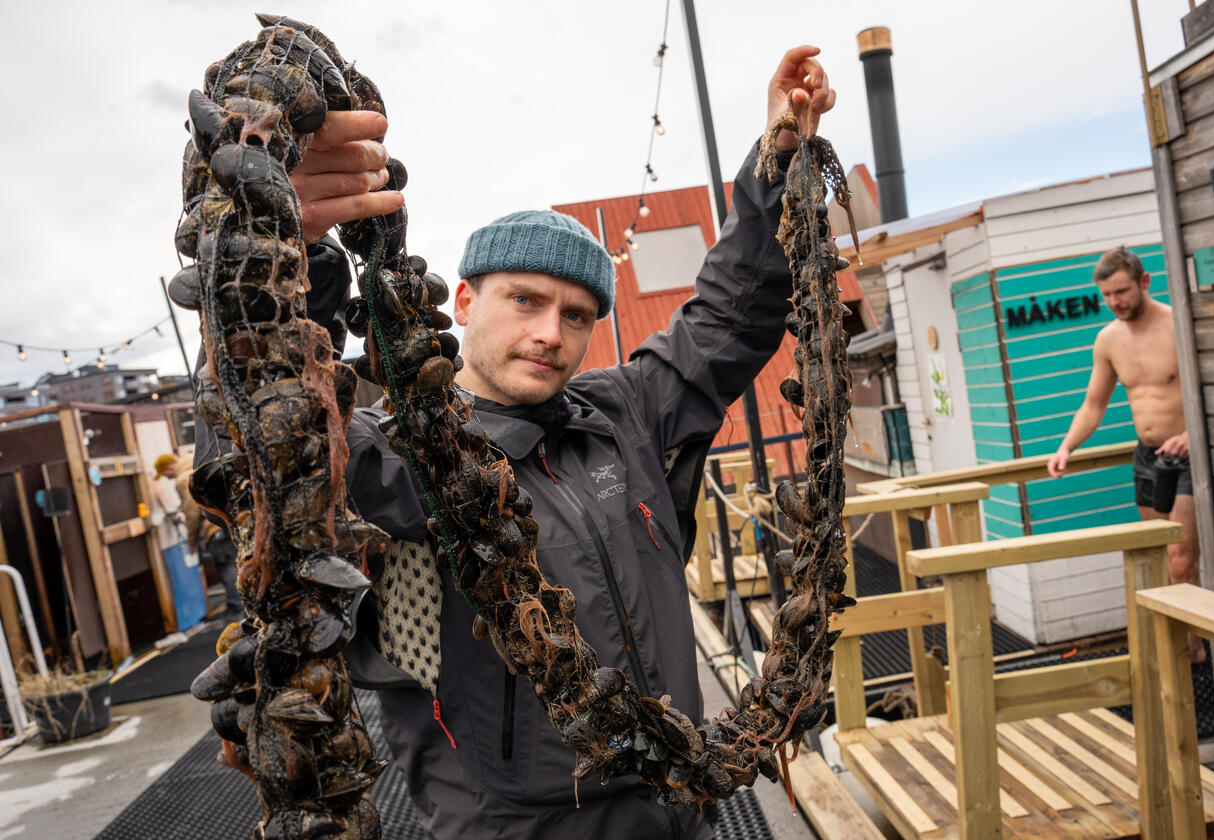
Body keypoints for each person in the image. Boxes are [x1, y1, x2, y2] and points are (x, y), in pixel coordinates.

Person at [198, 45, 833, 839]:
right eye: (525, 300)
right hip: (515, 825)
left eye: (575, 315)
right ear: (463, 300)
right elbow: (262, 423)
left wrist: (777, 158)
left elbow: (729, 318)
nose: (550, 333)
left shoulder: (623, 413)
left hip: (679, 799)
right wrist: (296, 247)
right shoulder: (393, 458)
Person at [1046, 248, 1202, 663]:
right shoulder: (1109, 339)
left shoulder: (1178, 325)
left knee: (1181, 560)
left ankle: (1193, 654)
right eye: (1108, 295)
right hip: (1147, 457)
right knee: (1155, 557)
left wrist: (1191, 435)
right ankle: (1179, 651)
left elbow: (1210, 389)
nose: (1116, 301)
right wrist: (1066, 447)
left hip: (1189, 456)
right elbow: (1093, 405)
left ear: (1144, 282)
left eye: (1122, 291)